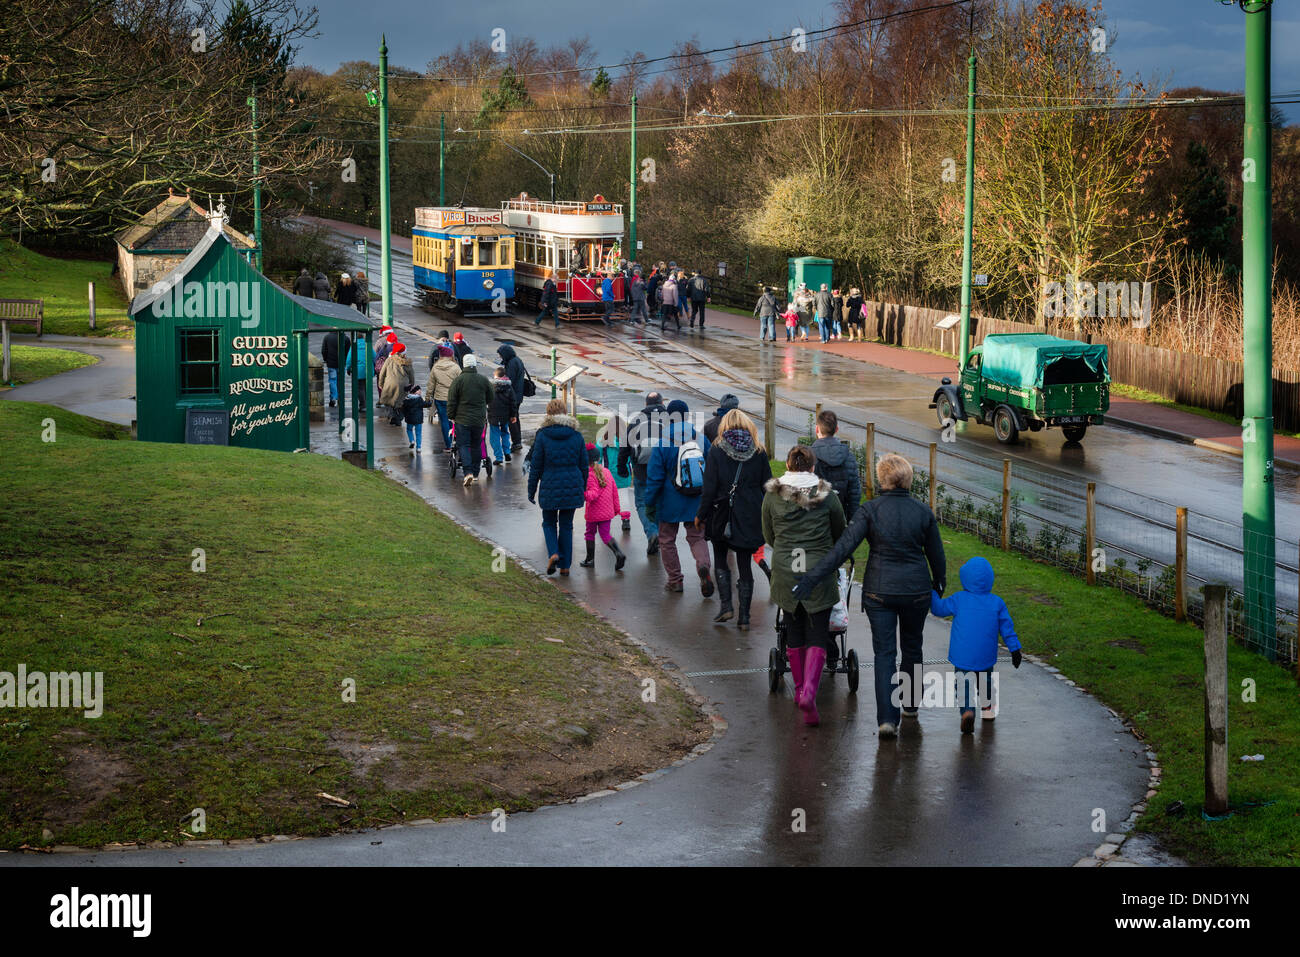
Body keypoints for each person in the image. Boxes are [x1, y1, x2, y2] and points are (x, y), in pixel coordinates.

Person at [793, 453, 947, 738]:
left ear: (881, 478)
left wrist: (811, 577)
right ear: (908, 479)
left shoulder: (870, 510)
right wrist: (939, 582)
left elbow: (842, 549)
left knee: (885, 653)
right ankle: (910, 705)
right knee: (912, 647)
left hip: (879, 591)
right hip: (915, 590)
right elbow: (936, 555)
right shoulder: (923, 511)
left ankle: (887, 720)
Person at [762, 445, 847, 725]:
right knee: (818, 632)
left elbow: (769, 535)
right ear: (812, 468)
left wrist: (786, 550)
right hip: (818, 573)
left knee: (793, 629)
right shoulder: (829, 498)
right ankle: (811, 690)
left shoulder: (772, 498)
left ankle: (799, 691)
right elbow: (839, 533)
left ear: (787, 466)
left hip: (787, 571)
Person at [930, 556, 1022, 733]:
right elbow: (1007, 628)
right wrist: (1015, 649)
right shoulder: (997, 602)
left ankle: (967, 712)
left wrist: (933, 592)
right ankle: (987, 710)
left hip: (962, 654)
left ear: (965, 577)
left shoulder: (959, 599)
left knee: (963, 683)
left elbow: (938, 609)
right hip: (985, 655)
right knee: (986, 681)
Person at [698, 410, 772, 629]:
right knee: (744, 562)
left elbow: (709, 487)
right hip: (750, 514)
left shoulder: (717, 450)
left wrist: (701, 515)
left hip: (722, 512)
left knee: (721, 558)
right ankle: (745, 617)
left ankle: (726, 606)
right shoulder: (758, 451)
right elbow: (767, 485)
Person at [646, 399, 713, 597]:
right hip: (697, 500)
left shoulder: (662, 442)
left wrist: (650, 501)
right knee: (697, 537)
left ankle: (675, 580)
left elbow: (654, 477)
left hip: (669, 501)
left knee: (666, 540)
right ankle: (703, 566)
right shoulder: (701, 439)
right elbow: (711, 468)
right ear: (687, 415)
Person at [527, 398, 588, 576]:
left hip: (550, 484)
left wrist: (532, 489)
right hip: (572, 484)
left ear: (548, 414)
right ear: (564, 412)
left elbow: (536, 465)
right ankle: (566, 565)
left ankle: (554, 552)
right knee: (567, 525)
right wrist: (582, 487)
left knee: (548, 522)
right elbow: (584, 465)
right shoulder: (576, 436)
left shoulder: (543, 436)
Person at [619, 391, 668, 555]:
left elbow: (625, 446)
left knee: (641, 503)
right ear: (662, 403)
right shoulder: (669, 419)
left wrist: (622, 467)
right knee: (661, 501)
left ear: (646, 404)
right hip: (663, 470)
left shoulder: (636, 420)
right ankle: (660, 535)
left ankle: (651, 532)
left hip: (641, 469)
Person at [447, 353, 494, 486]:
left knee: (463, 445)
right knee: (476, 444)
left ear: (464, 364)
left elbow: (451, 401)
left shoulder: (458, 381)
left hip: (462, 419)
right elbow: (491, 397)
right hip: (479, 419)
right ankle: (476, 472)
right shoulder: (483, 380)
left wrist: (451, 415)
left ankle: (467, 472)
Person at [580, 443, 628, 571]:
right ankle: (619, 553)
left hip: (594, 512)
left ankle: (590, 559)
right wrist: (617, 508)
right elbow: (614, 492)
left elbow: (593, 494)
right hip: (607, 511)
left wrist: (582, 494)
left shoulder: (589, 474)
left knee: (589, 533)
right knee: (605, 534)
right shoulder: (606, 471)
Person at [810, 409, 862, 521]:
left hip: (814, 518)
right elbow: (854, 493)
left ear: (817, 429)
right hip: (840, 515)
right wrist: (852, 522)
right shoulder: (849, 457)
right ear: (836, 429)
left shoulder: (808, 457)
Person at [594, 416, 633, 533]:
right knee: (623, 496)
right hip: (623, 472)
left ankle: (603, 520)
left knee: (605, 498)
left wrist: (598, 472)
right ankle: (625, 520)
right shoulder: (628, 441)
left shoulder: (603, 442)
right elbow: (632, 457)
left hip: (607, 474)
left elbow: (597, 459)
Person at [425, 344, 460, 451]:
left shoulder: (435, 367)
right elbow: (461, 383)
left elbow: (431, 385)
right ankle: (455, 441)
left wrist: (427, 398)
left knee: (444, 421)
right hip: (453, 398)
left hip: (440, 398)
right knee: (453, 420)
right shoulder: (456, 367)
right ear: (450, 355)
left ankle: (448, 445)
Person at [496, 343, 529, 454]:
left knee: (512, 418)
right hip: (518, 394)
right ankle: (517, 441)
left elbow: (509, 380)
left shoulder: (511, 363)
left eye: (501, 355)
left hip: (513, 395)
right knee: (515, 417)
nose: (500, 357)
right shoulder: (516, 360)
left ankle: (516, 442)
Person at [488, 365, 519, 466]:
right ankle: (507, 452)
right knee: (505, 433)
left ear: (495, 375)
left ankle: (499, 457)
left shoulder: (491, 387)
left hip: (493, 416)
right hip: (505, 416)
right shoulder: (509, 387)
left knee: (494, 436)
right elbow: (513, 402)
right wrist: (513, 415)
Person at [378, 341, 414, 420]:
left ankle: (391, 414)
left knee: (389, 401)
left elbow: (382, 373)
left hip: (389, 384)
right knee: (400, 402)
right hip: (402, 385)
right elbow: (411, 375)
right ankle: (398, 417)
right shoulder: (407, 362)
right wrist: (411, 384)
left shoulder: (389, 359)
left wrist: (380, 383)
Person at [401, 383, 431, 453]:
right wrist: (430, 403)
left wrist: (405, 416)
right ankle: (418, 448)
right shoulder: (419, 399)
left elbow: (403, 409)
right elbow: (425, 405)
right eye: (419, 390)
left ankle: (412, 440)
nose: (420, 391)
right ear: (415, 391)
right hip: (418, 420)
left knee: (409, 430)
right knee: (418, 433)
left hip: (409, 419)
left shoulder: (406, 400)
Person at [321, 331, 343, 408]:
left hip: (331, 363)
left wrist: (326, 359)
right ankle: (340, 398)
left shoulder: (327, 337)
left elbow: (324, 350)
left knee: (332, 381)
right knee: (340, 381)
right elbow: (347, 350)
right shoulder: (344, 337)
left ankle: (333, 398)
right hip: (341, 363)